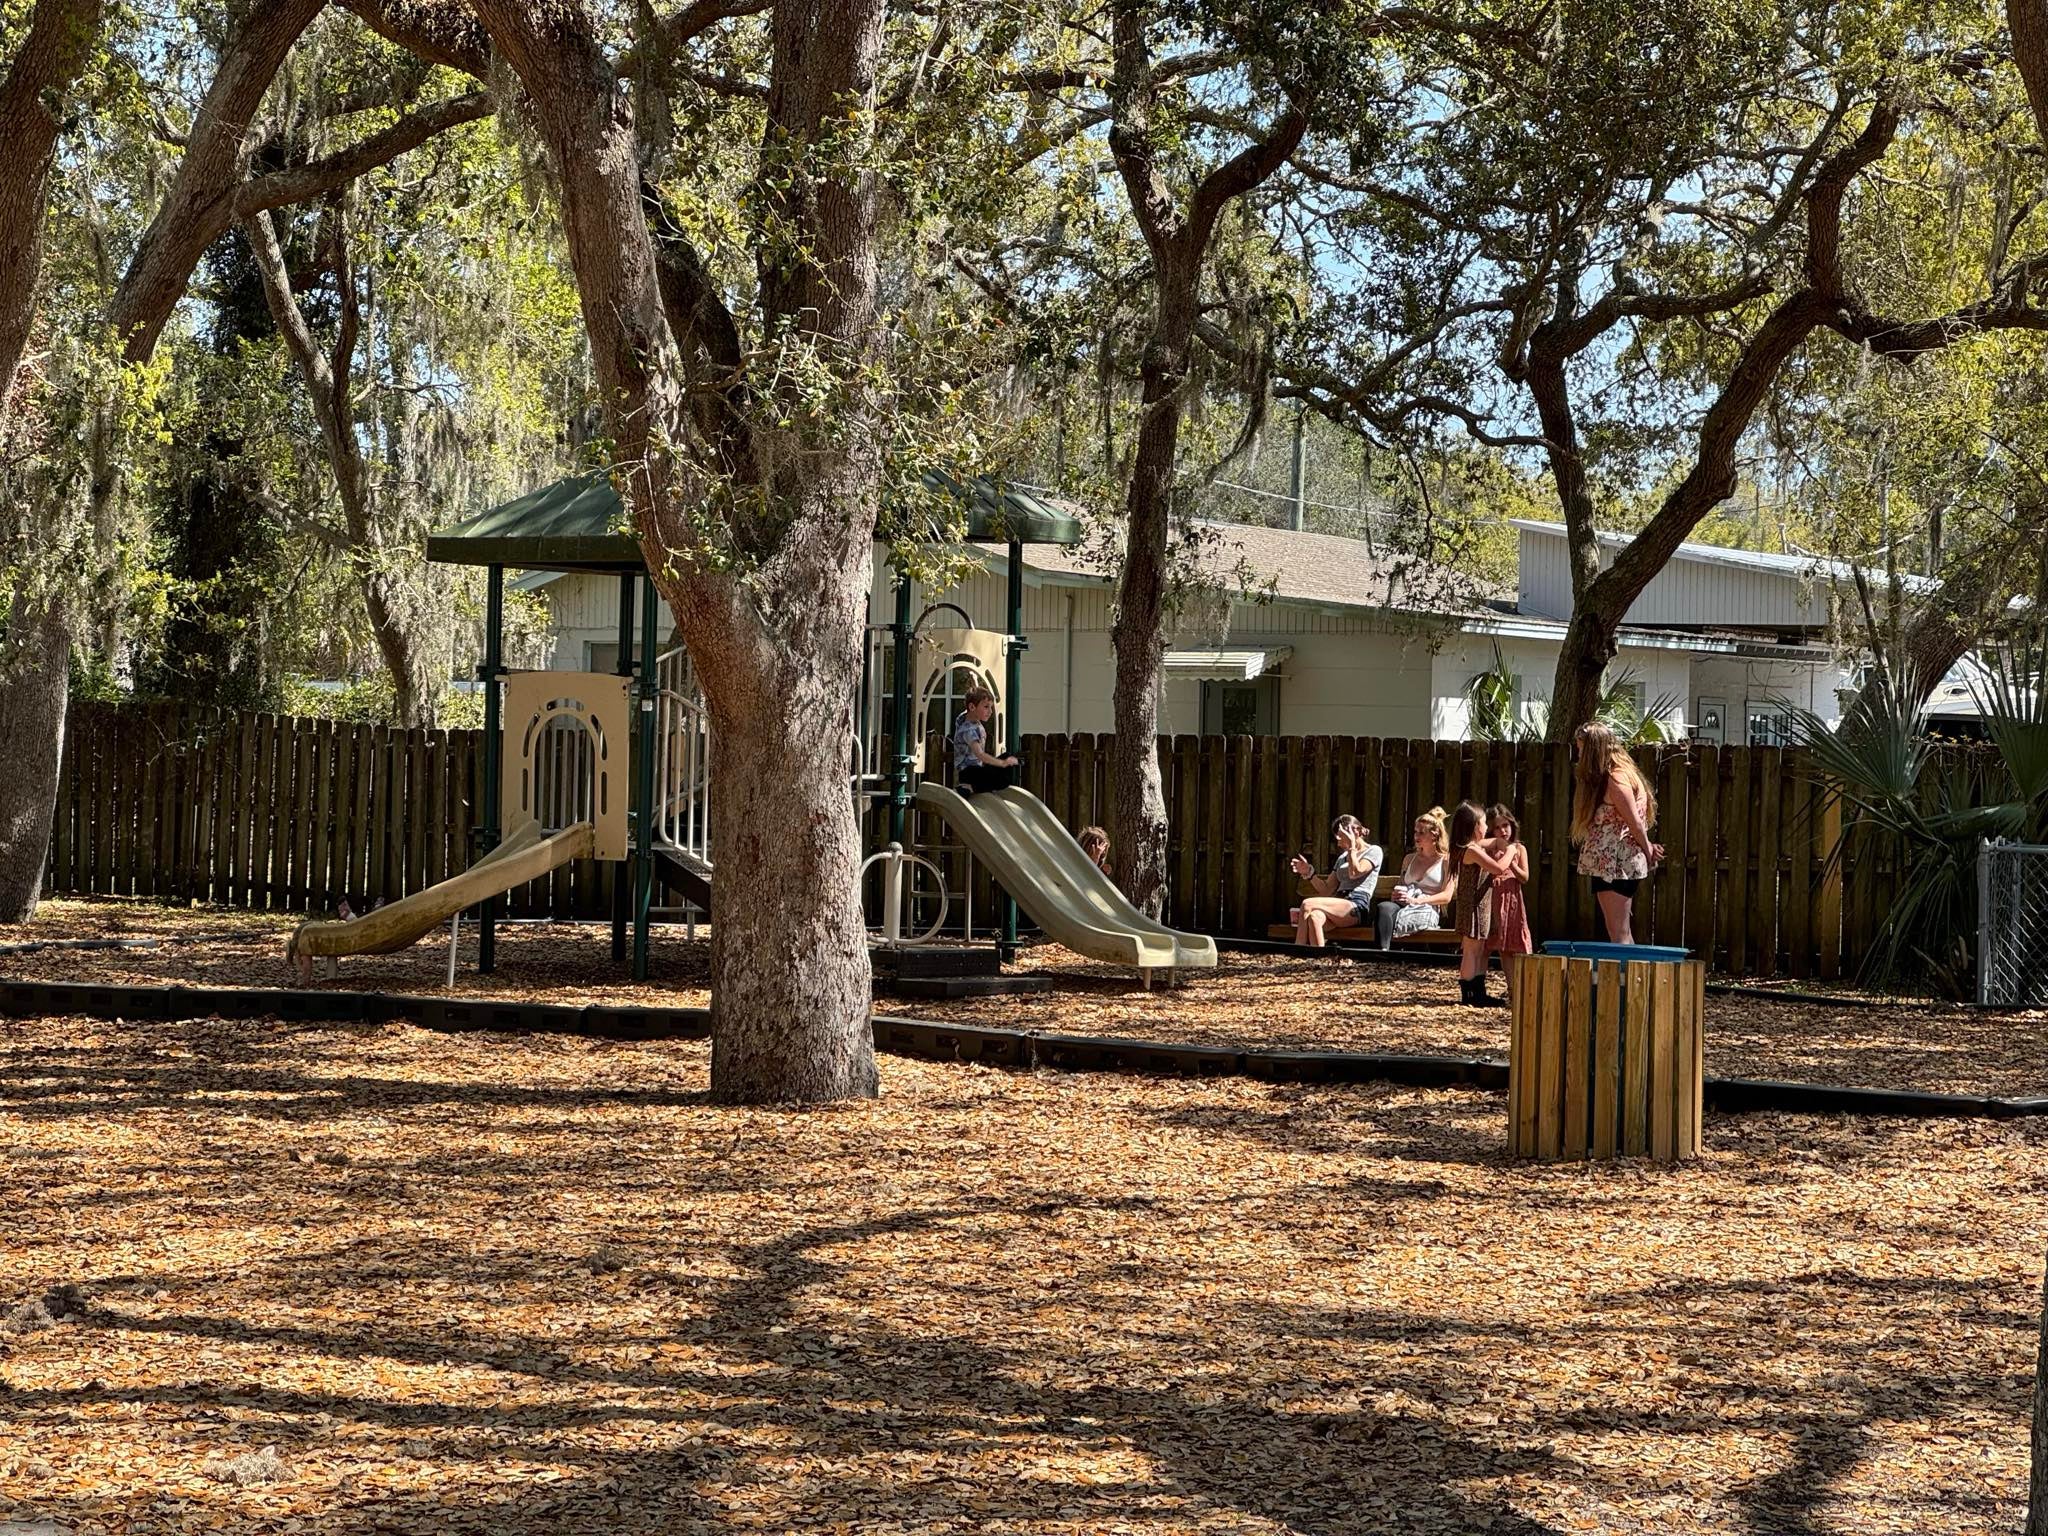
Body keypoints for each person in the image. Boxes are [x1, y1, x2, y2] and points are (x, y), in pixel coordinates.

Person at [1570, 721, 1665, 944]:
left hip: (1615, 864)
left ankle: (1626, 977)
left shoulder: (1616, 780)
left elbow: (1634, 822)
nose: (1578, 752)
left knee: (1618, 932)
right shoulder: (1623, 773)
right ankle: (1627, 976)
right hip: (1611, 862)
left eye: (1581, 747)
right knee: (1619, 930)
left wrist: (1648, 849)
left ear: (1593, 749)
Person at [1449, 800, 1514, 1007]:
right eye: (1484, 823)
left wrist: (1500, 843)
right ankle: (1468, 994)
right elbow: (1497, 868)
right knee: (1470, 950)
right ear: (1475, 827)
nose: (1487, 828)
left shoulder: (1473, 846)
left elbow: (1493, 843)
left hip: (1479, 906)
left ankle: (1478, 991)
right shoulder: (1471, 851)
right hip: (1472, 908)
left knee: (1478, 950)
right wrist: (1512, 852)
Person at [1287, 815, 1384, 947]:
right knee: (1314, 917)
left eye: (1340, 836)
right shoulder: (1342, 858)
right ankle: (1319, 963)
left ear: (1354, 832)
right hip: (1338, 903)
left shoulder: (1373, 851)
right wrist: (1309, 873)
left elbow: (1355, 872)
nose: (1338, 842)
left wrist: (1352, 848)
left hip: (1356, 905)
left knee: (1307, 904)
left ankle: (1298, 951)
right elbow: (1327, 889)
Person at [1374, 807, 1456, 950]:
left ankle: (1410, 956)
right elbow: (1400, 884)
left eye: (1421, 832)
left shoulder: (1446, 861)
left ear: (1434, 835)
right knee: (1384, 908)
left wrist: (1418, 900)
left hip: (1426, 905)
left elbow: (1447, 896)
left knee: (1413, 919)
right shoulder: (1409, 859)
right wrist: (1396, 894)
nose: (1416, 836)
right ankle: (1383, 953)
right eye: (1415, 832)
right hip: (1403, 903)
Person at [1486, 803, 1534, 1004]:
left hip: (1513, 899)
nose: (1502, 831)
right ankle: (1512, 989)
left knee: (1520, 943)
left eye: (1505, 825)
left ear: (1512, 825)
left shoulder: (1519, 848)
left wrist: (1512, 862)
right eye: (1497, 827)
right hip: (1497, 899)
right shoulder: (1490, 849)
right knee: (1503, 946)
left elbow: (1525, 877)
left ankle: (1527, 988)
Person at [951, 686, 1018, 795]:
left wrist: (974, 684)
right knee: (1003, 780)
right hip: (968, 773)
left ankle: (978, 786)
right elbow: (980, 755)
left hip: (976, 770)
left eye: (991, 707)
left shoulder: (965, 718)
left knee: (1007, 756)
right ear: (972, 707)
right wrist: (1002, 763)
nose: (990, 711)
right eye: (986, 707)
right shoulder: (968, 730)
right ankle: (970, 788)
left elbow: (972, 703)